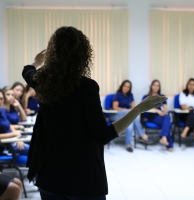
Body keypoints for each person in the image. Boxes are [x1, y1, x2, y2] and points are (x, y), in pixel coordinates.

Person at [22, 26, 166, 200]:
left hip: (49, 175)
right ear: (83, 55)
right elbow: (103, 135)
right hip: (82, 177)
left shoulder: (42, 82)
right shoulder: (86, 87)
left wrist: (36, 62)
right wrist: (139, 109)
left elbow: (27, 71)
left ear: (53, 53)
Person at [110, 80, 153, 152]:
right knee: (131, 113)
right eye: (125, 86)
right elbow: (115, 107)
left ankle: (128, 145)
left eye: (128, 87)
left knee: (130, 123)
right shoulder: (118, 94)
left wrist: (130, 111)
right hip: (116, 115)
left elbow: (133, 108)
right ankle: (142, 135)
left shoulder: (131, 95)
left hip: (126, 117)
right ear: (122, 86)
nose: (126, 88)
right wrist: (126, 110)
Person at [142, 80, 173, 152]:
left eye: (158, 85)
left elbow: (165, 108)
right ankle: (169, 145)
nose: (156, 87)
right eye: (154, 85)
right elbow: (145, 107)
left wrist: (164, 112)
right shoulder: (146, 97)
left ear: (159, 87)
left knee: (167, 117)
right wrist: (157, 110)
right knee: (167, 123)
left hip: (161, 116)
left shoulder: (162, 97)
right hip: (151, 116)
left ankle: (164, 138)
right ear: (151, 86)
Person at [0, 89, 29, 155]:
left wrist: (17, 136)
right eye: (8, 95)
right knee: (35, 150)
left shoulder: (1, 111)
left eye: (1, 99)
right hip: (5, 146)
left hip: (11, 140)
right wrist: (15, 134)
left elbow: (9, 125)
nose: (0, 101)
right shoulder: (3, 109)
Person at [180, 78, 194, 149]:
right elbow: (183, 107)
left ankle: (185, 130)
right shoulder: (183, 94)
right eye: (190, 84)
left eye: (193, 85)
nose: (191, 86)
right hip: (185, 115)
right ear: (187, 85)